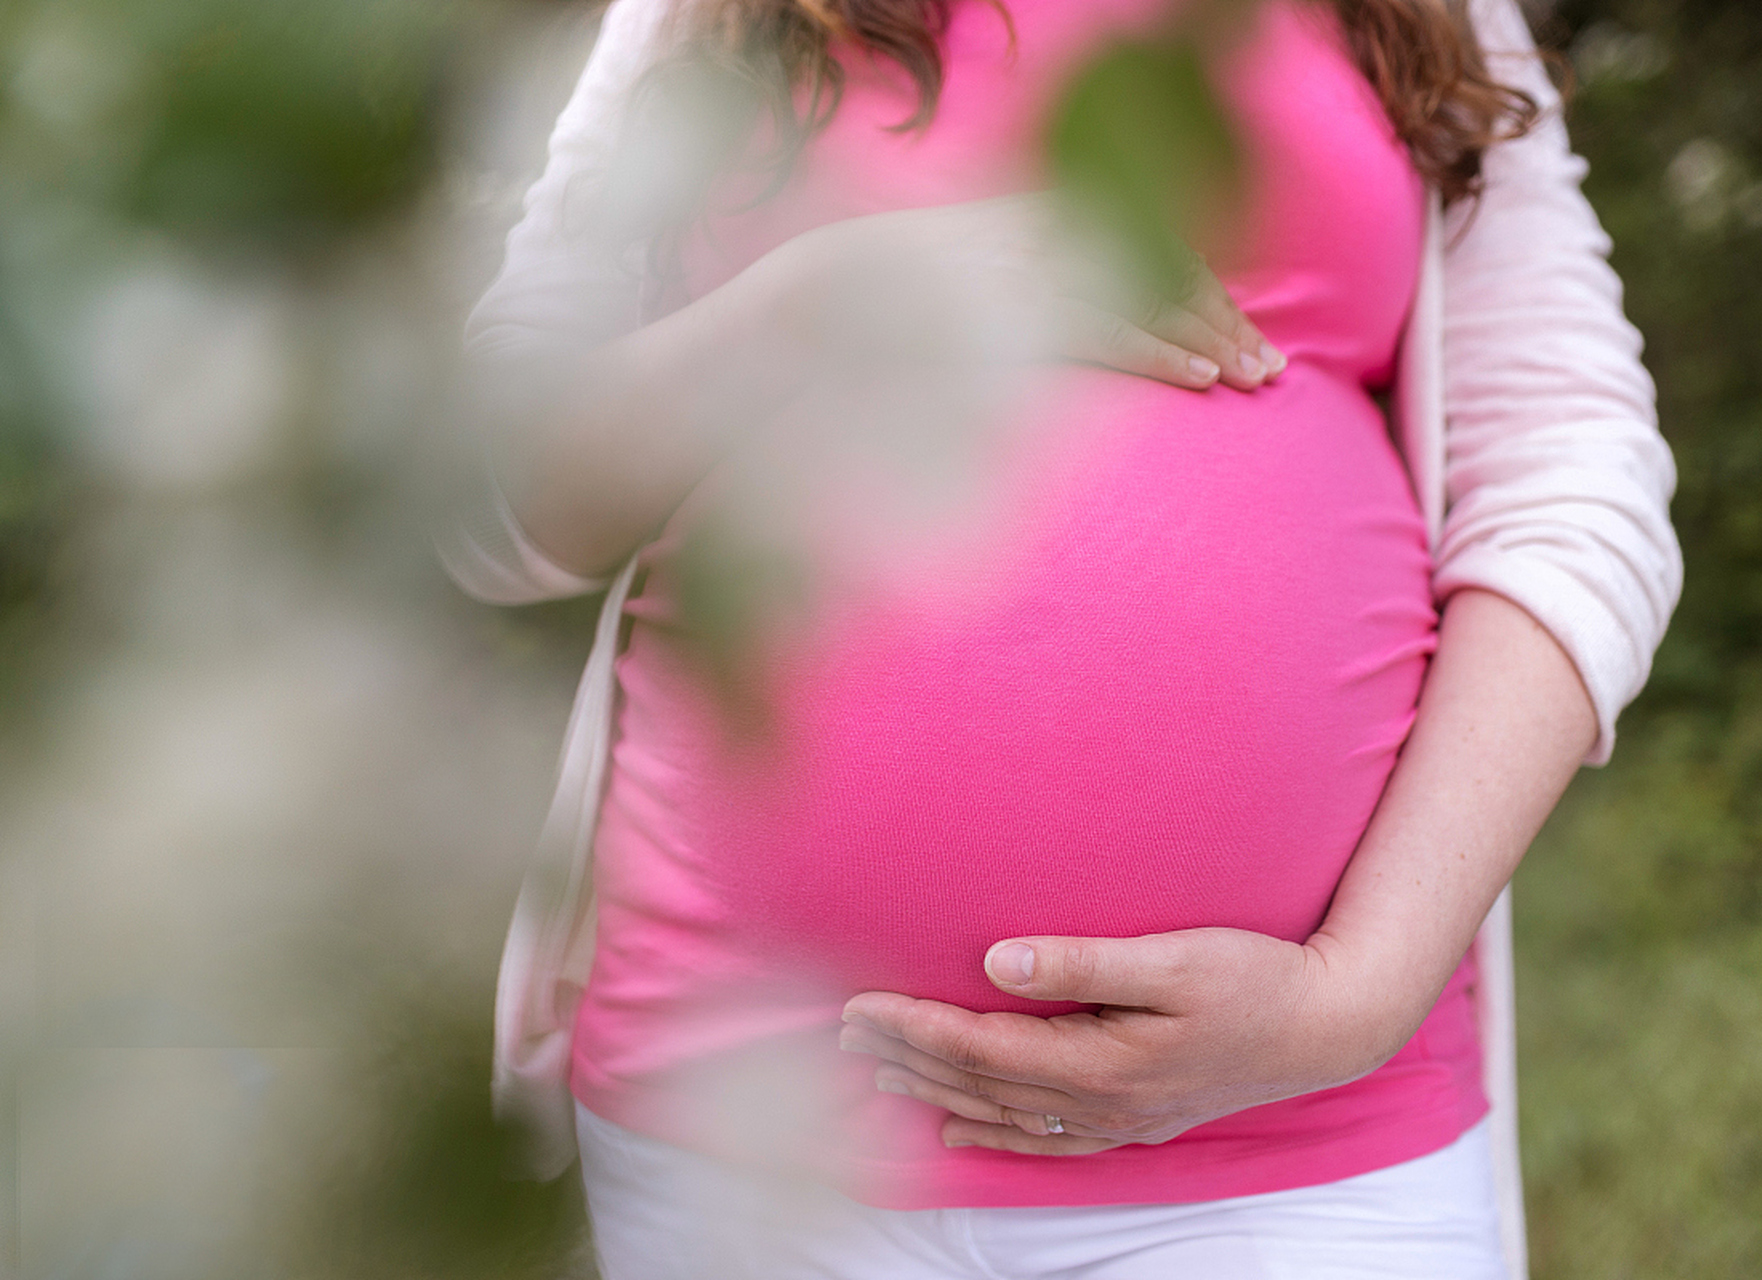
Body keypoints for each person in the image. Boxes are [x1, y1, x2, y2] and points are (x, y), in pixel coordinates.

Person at [438, 0, 1682, 1275]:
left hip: (1301, 1143)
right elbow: (490, 503)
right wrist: (824, 296)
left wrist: (1352, 995)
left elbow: (1572, 474)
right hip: (742, 1125)